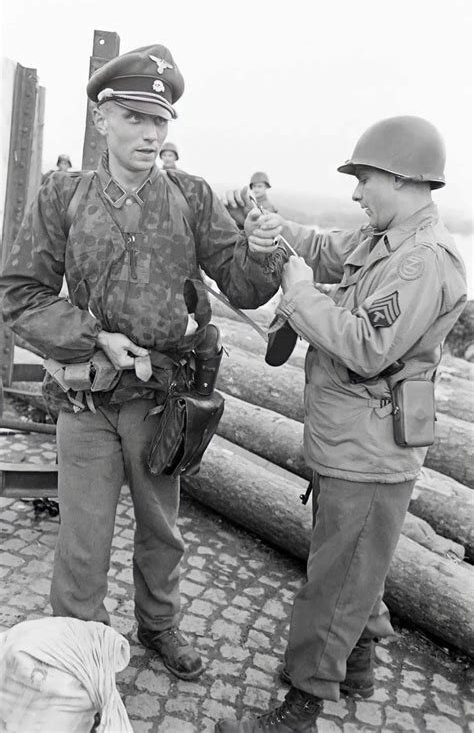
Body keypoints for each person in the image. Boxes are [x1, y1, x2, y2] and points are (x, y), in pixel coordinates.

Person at [0, 44, 282, 683]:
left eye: (161, 120)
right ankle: (77, 647)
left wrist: (260, 252)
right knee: (83, 536)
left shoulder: (191, 196)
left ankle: (158, 629)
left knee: (162, 529)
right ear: (102, 118)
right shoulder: (63, 196)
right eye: (135, 117)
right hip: (88, 396)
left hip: (163, 402)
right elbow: (19, 294)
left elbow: (240, 286)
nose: (151, 133)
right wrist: (93, 336)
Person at [217, 115, 467, 732]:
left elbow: (365, 348)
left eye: (365, 180)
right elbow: (323, 246)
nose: (355, 193)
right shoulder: (383, 240)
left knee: (334, 585)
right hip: (349, 442)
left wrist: (299, 295)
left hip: (370, 452)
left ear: (404, 179)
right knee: (357, 565)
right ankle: (355, 665)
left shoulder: (423, 263)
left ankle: (301, 707)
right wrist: (274, 234)